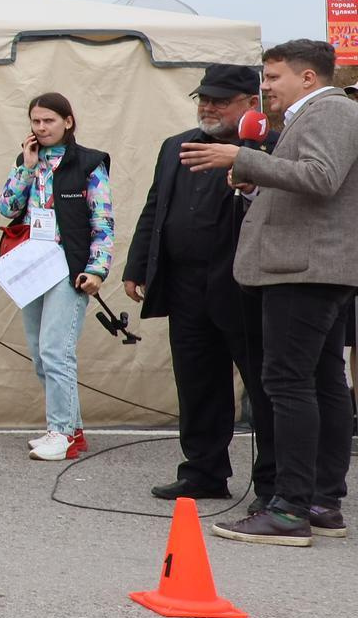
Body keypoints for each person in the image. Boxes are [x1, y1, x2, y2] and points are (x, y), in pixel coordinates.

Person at [186, 39, 357, 547]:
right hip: (310, 267)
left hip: (304, 270)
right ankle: (321, 502)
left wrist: (243, 157)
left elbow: (322, 178)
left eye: (273, 77)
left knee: (288, 382)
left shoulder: (329, 111)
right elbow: (315, 189)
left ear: (308, 78)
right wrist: (256, 184)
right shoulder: (320, 114)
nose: (265, 87)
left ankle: (289, 509)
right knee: (322, 379)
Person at [122, 64, 265, 501]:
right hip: (186, 284)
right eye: (203, 98)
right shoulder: (176, 146)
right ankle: (203, 471)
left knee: (263, 384)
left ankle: (275, 481)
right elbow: (156, 206)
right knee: (197, 381)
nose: (208, 107)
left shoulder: (264, 148)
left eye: (220, 100)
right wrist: (138, 265)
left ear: (250, 103)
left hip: (242, 284)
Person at [0, 92, 113, 462]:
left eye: (49, 120)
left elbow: (102, 221)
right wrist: (27, 168)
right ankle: (72, 431)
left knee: (55, 349)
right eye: (36, 121)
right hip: (33, 263)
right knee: (39, 353)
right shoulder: (28, 159)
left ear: (68, 121)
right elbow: (6, 206)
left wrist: (97, 269)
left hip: (68, 265)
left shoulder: (90, 163)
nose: (42, 127)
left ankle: (60, 432)